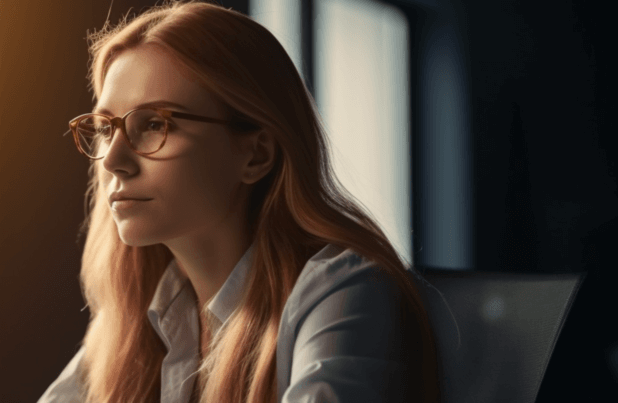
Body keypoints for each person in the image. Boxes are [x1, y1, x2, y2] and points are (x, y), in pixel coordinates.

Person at [39, 1, 440, 402]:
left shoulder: (345, 292)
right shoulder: (132, 320)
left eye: (155, 124)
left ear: (256, 154)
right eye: (106, 128)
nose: (112, 160)